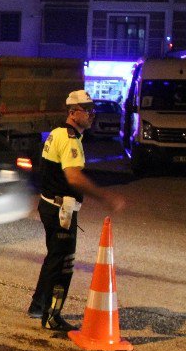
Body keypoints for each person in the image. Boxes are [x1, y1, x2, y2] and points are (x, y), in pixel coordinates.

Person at [28, 90, 126, 331]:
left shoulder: (57, 132)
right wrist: (105, 197)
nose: (92, 115)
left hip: (49, 204)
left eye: (93, 110)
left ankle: (38, 306)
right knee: (63, 264)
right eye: (87, 111)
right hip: (60, 209)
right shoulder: (70, 139)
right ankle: (52, 316)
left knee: (53, 258)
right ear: (73, 113)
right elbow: (74, 177)